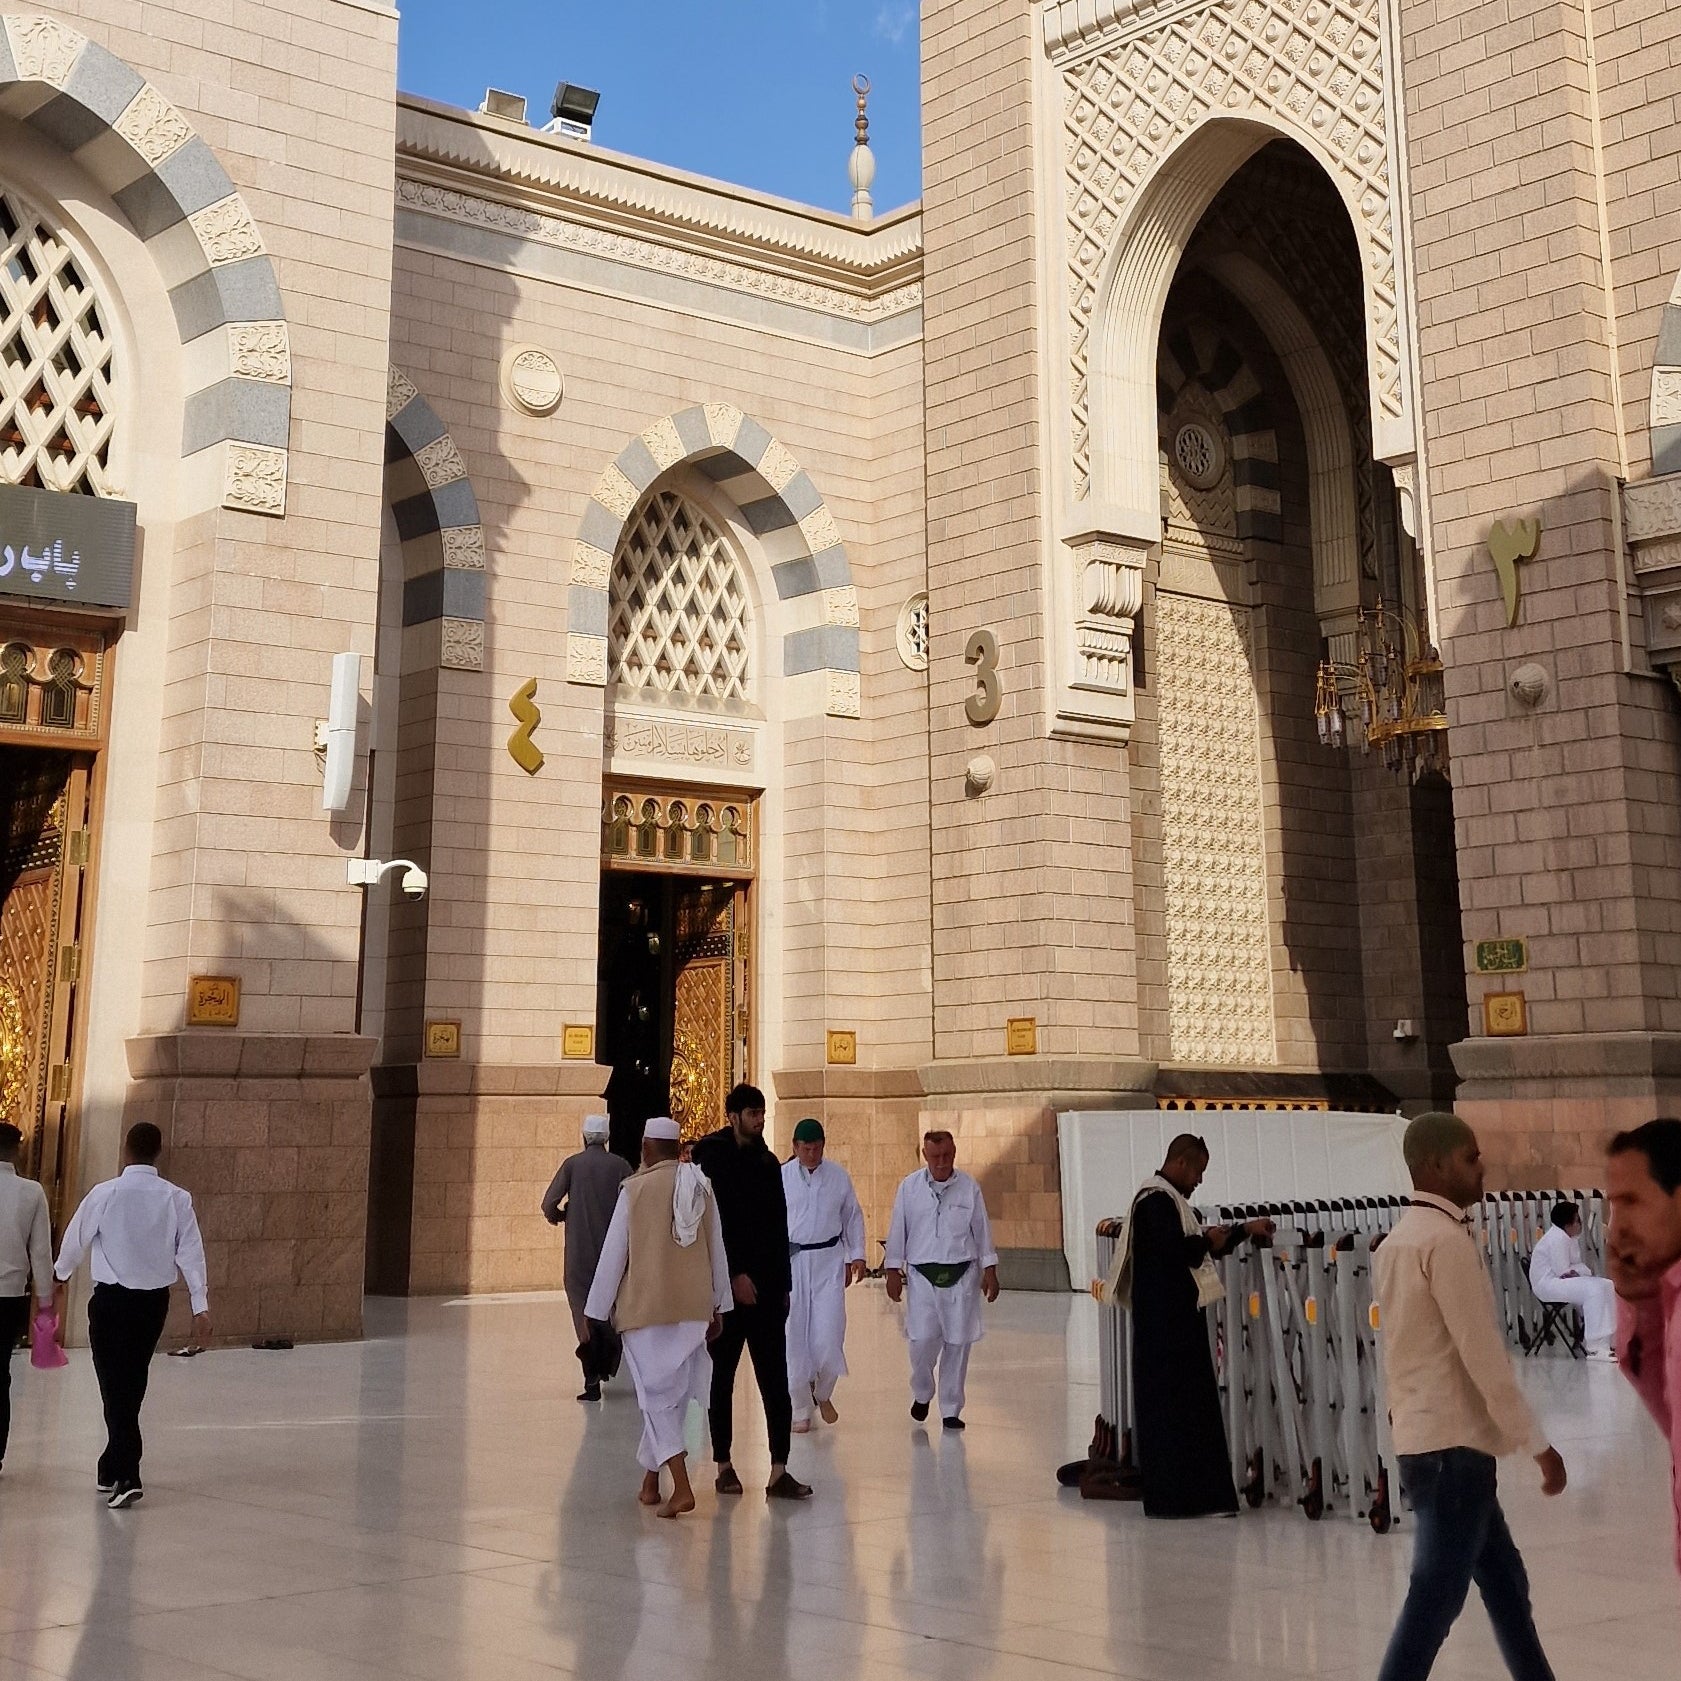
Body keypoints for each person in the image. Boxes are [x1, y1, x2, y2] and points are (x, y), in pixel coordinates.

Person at [1373, 1112, 1564, 1681]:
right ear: (1435, 1165)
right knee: (1434, 1599)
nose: (1482, 1169)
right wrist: (1538, 1444)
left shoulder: (1398, 1241)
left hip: (1425, 1441)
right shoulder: (1444, 1242)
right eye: (1471, 1158)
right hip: (1453, 1453)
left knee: (1506, 1587)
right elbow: (1484, 1358)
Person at [52, 1121, 212, 1509]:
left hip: (110, 1302)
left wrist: (58, 1277)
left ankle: (128, 1473)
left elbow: (77, 1238)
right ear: (159, 1152)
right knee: (132, 1383)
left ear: (126, 1149)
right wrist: (200, 1305)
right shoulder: (177, 1198)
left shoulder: (105, 1193)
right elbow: (190, 1251)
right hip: (152, 1304)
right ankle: (110, 1465)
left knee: (113, 1385)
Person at [1114, 1133, 1272, 1518]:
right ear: (1181, 1163)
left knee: (1191, 1409)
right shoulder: (1155, 1200)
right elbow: (1175, 1251)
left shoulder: (1171, 1202)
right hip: (1164, 1331)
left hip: (1176, 1325)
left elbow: (1195, 1243)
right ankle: (1178, 1499)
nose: (1199, 1180)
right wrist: (1205, 1241)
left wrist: (1241, 1231)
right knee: (1174, 1413)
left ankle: (1197, 1496)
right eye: (1198, 1171)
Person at [584, 1116, 731, 1518]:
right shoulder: (701, 1186)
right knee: (673, 1395)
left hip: (646, 1311)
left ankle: (682, 1488)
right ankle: (650, 1483)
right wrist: (720, 1305)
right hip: (693, 1310)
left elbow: (614, 1254)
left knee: (655, 1401)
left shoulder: (635, 1189)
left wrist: (595, 1312)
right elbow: (716, 1249)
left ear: (646, 1148)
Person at [692, 1084, 811, 1499]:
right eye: (752, 1113)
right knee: (722, 1377)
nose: (759, 1120)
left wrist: (783, 1285)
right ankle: (723, 1464)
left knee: (774, 1380)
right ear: (733, 1116)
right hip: (729, 1293)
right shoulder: (713, 1159)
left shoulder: (767, 1162)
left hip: (766, 1292)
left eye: (762, 1112)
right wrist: (735, 1276)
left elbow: (777, 1227)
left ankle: (779, 1469)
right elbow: (718, 1225)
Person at [1604, 1118, 1681, 1574]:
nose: (1618, 1228)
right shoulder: (1670, 1295)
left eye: (1632, 1202)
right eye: (1613, 1206)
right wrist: (1642, 1303)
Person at [883, 1130, 998, 1429]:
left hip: (961, 1274)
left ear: (955, 1152)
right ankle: (922, 1392)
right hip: (922, 1275)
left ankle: (950, 1409)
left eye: (947, 1155)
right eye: (936, 1157)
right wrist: (893, 1269)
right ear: (925, 1155)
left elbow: (982, 1229)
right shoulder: (909, 1188)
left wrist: (990, 1269)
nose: (942, 1162)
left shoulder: (969, 1187)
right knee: (921, 1341)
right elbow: (898, 1228)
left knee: (957, 1344)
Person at [781, 1118, 866, 1433]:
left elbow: (853, 1216)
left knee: (829, 1336)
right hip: (792, 1263)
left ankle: (823, 1392)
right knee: (793, 1336)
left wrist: (856, 1255)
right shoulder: (782, 1178)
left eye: (817, 1148)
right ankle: (800, 1407)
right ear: (795, 1147)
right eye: (806, 1148)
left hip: (829, 1261)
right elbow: (771, 1225)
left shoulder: (838, 1177)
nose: (812, 1154)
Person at [542, 1113, 633, 1400]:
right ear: (606, 1138)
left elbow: (548, 1203)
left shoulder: (573, 1165)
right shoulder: (620, 1166)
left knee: (582, 1312)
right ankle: (610, 1362)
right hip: (612, 1251)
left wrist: (559, 1215)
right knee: (610, 1310)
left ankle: (591, 1379)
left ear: (584, 1137)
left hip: (579, 1254)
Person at [0, 1122, 51, 1474]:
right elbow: (41, 1253)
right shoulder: (31, 1192)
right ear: (16, 1151)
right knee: (1, 1376)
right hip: (9, 1298)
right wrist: (46, 1300)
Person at [1527, 1198, 1617, 1359]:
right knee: (1594, 1290)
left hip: (1560, 1281)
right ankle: (1594, 1346)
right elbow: (1563, 1270)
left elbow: (1576, 1267)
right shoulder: (1557, 1238)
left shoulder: (1568, 1238)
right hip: (1549, 1284)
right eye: (1577, 1220)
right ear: (1568, 1224)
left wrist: (1581, 1271)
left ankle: (1609, 1340)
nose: (1580, 1224)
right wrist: (1582, 1271)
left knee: (1607, 1285)